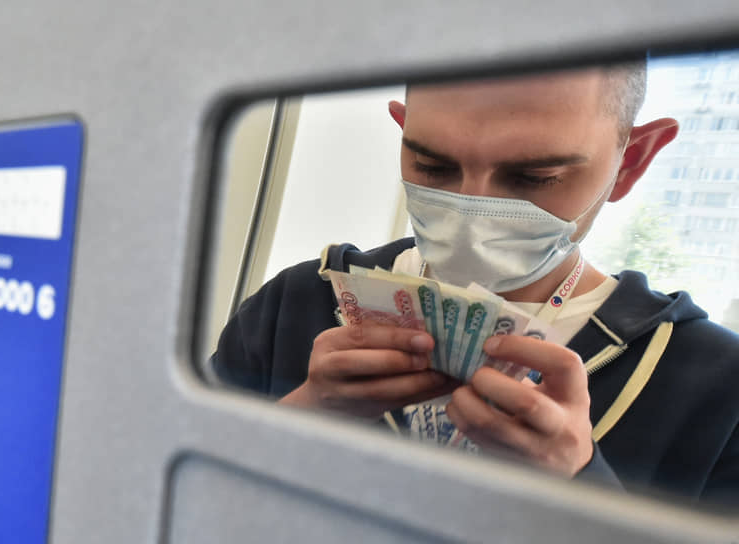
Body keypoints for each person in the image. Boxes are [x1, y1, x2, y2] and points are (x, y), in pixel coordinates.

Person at [210, 62, 739, 507]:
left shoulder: (717, 387)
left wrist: (579, 488)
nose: (471, 210)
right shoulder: (296, 303)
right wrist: (300, 419)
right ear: (402, 132)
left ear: (631, 163)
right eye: (431, 165)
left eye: (535, 178)